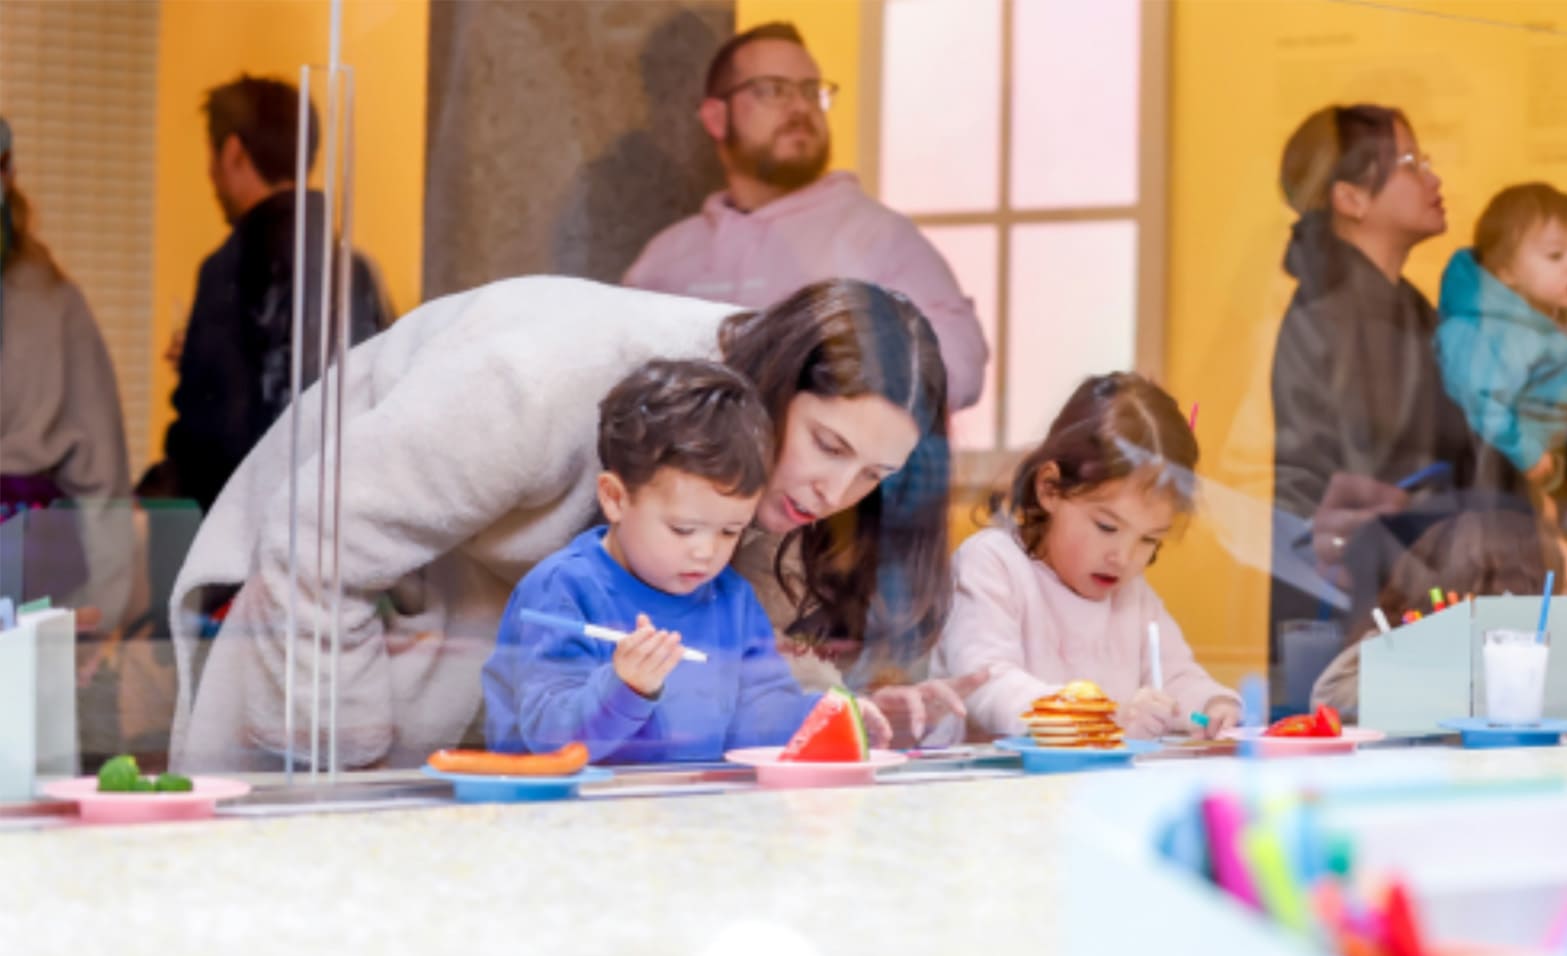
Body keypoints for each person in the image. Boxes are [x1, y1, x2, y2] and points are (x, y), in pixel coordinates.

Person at [167, 277, 971, 773]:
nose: (836, 491)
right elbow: (314, 544)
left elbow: (743, 636)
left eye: (874, 475)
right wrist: (358, 770)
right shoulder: (537, 381)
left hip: (499, 646)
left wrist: (838, 720)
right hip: (327, 592)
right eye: (828, 446)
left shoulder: (758, 447)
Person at [482, 359, 887, 762]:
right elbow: (549, 736)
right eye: (683, 529)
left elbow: (758, 716)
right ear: (616, 499)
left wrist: (821, 715)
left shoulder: (731, 598)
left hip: (683, 813)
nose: (706, 552)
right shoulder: (563, 589)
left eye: (731, 531)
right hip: (559, 816)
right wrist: (625, 688)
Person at [620, 22, 988, 412]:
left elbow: (959, 367)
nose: (800, 107)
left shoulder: (878, 236)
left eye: (811, 91)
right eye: (774, 90)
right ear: (716, 117)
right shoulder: (665, 257)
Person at [1265, 104, 1486, 711]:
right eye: (1412, 164)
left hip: (1411, 605)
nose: (1433, 180)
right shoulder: (1323, 319)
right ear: (1350, 198)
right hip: (1354, 625)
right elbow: (1320, 497)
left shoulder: (1406, 310)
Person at [928, 373, 1240, 744]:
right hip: (992, 792)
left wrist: (1214, 704)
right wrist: (1105, 719)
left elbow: (1174, 677)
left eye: (1149, 540)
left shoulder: (1132, 596)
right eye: (1107, 527)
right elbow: (986, 685)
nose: (1123, 558)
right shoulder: (992, 564)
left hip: (1089, 794)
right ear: (1050, 489)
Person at [155, 74, 393, 516]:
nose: (210, 175)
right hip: (348, 529)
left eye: (211, 157)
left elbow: (214, 437)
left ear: (233, 153)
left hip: (255, 538)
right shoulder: (354, 268)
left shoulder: (231, 270)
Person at [0, 117, 135, 629]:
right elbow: (102, 469)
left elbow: (101, 469)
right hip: (35, 576)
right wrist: (104, 608)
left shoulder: (53, 301)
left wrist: (102, 609)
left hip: (33, 581)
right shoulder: (56, 300)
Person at [1435, 183, 1567, 585]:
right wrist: (1527, 454)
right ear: (1505, 272)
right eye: (1555, 256)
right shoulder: (1486, 331)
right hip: (1498, 485)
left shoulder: (1558, 324)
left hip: (1548, 477)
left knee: (1559, 568)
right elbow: (1482, 402)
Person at [1310, 508, 1562, 717]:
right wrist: (1438, 667)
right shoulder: (1396, 642)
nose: (1565, 605)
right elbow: (1328, 699)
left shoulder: (1533, 660)